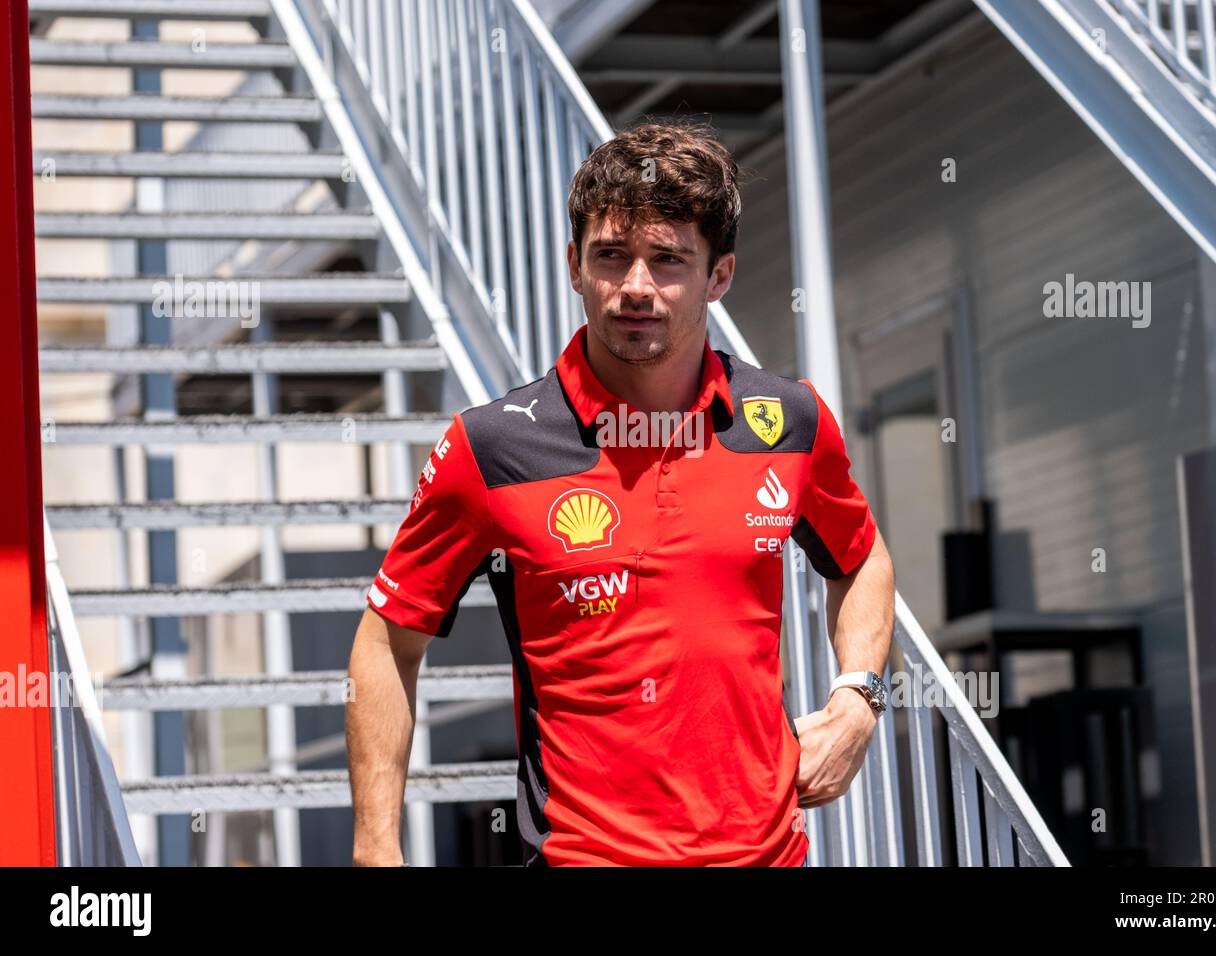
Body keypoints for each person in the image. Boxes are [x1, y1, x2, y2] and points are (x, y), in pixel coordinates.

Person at [346, 120, 895, 867]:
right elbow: (387, 637)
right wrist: (376, 850)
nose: (636, 286)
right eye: (612, 255)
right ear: (575, 266)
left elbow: (859, 561)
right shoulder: (494, 447)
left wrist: (858, 699)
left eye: (668, 260)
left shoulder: (787, 421)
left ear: (720, 276)